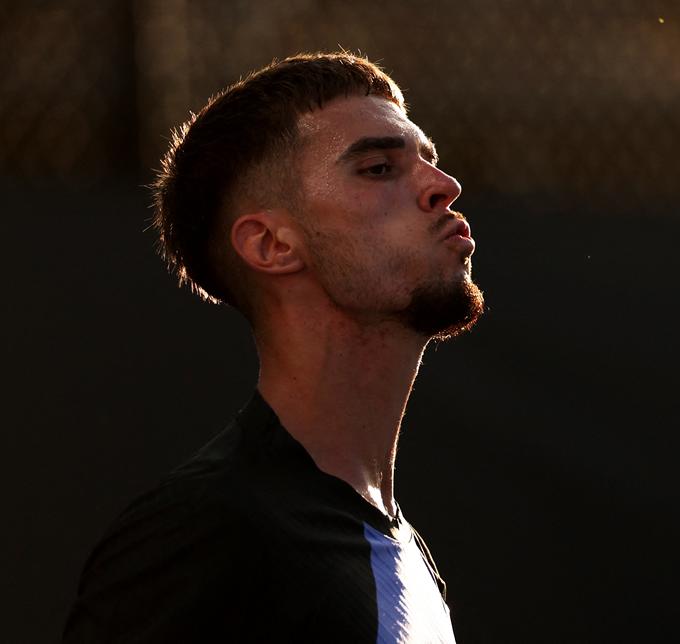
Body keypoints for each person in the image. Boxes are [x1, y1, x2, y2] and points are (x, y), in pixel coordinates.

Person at [63, 52, 484, 643]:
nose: (445, 187)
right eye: (378, 169)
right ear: (270, 245)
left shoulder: (405, 553)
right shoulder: (204, 532)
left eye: (428, 161)